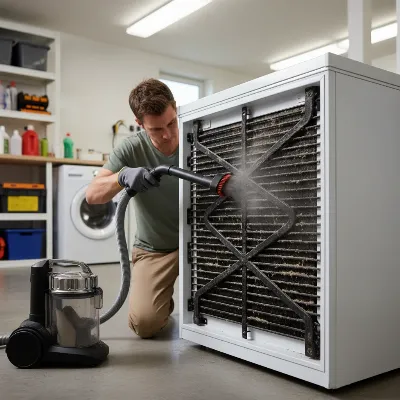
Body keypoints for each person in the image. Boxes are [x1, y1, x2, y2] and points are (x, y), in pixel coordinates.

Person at [86, 78, 179, 339]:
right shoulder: (131, 147)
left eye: (171, 123)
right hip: (156, 248)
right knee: (145, 325)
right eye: (156, 129)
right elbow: (93, 194)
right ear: (140, 124)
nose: (167, 135)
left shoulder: (197, 135)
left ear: (176, 107)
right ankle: (163, 303)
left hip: (201, 243)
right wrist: (122, 176)